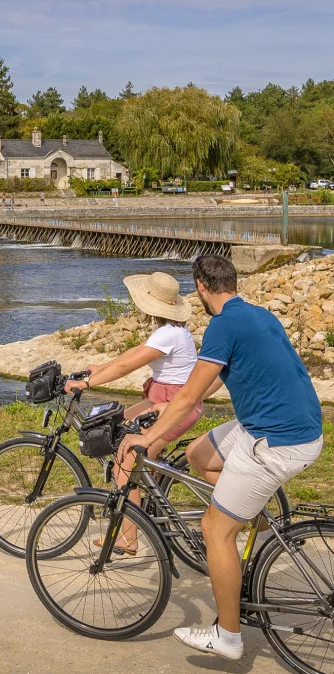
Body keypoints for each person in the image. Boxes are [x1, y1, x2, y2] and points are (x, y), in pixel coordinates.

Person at [119, 254, 323, 661]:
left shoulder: (222, 325)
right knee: (198, 454)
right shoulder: (255, 314)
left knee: (215, 528)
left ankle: (228, 635)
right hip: (289, 425)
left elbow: (192, 396)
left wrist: (149, 437)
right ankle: (254, 519)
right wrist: (164, 410)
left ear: (199, 287)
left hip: (275, 439)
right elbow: (204, 385)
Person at [65, 271, 202, 554]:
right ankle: (145, 493)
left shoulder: (168, 334)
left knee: (123, 458)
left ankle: (129, 537)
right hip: (162, 401)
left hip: (172, 406)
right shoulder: (171, 331)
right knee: (118, 426)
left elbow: (128, 367)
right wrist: (99, 369)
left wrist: (86, 383)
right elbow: (132, 355)